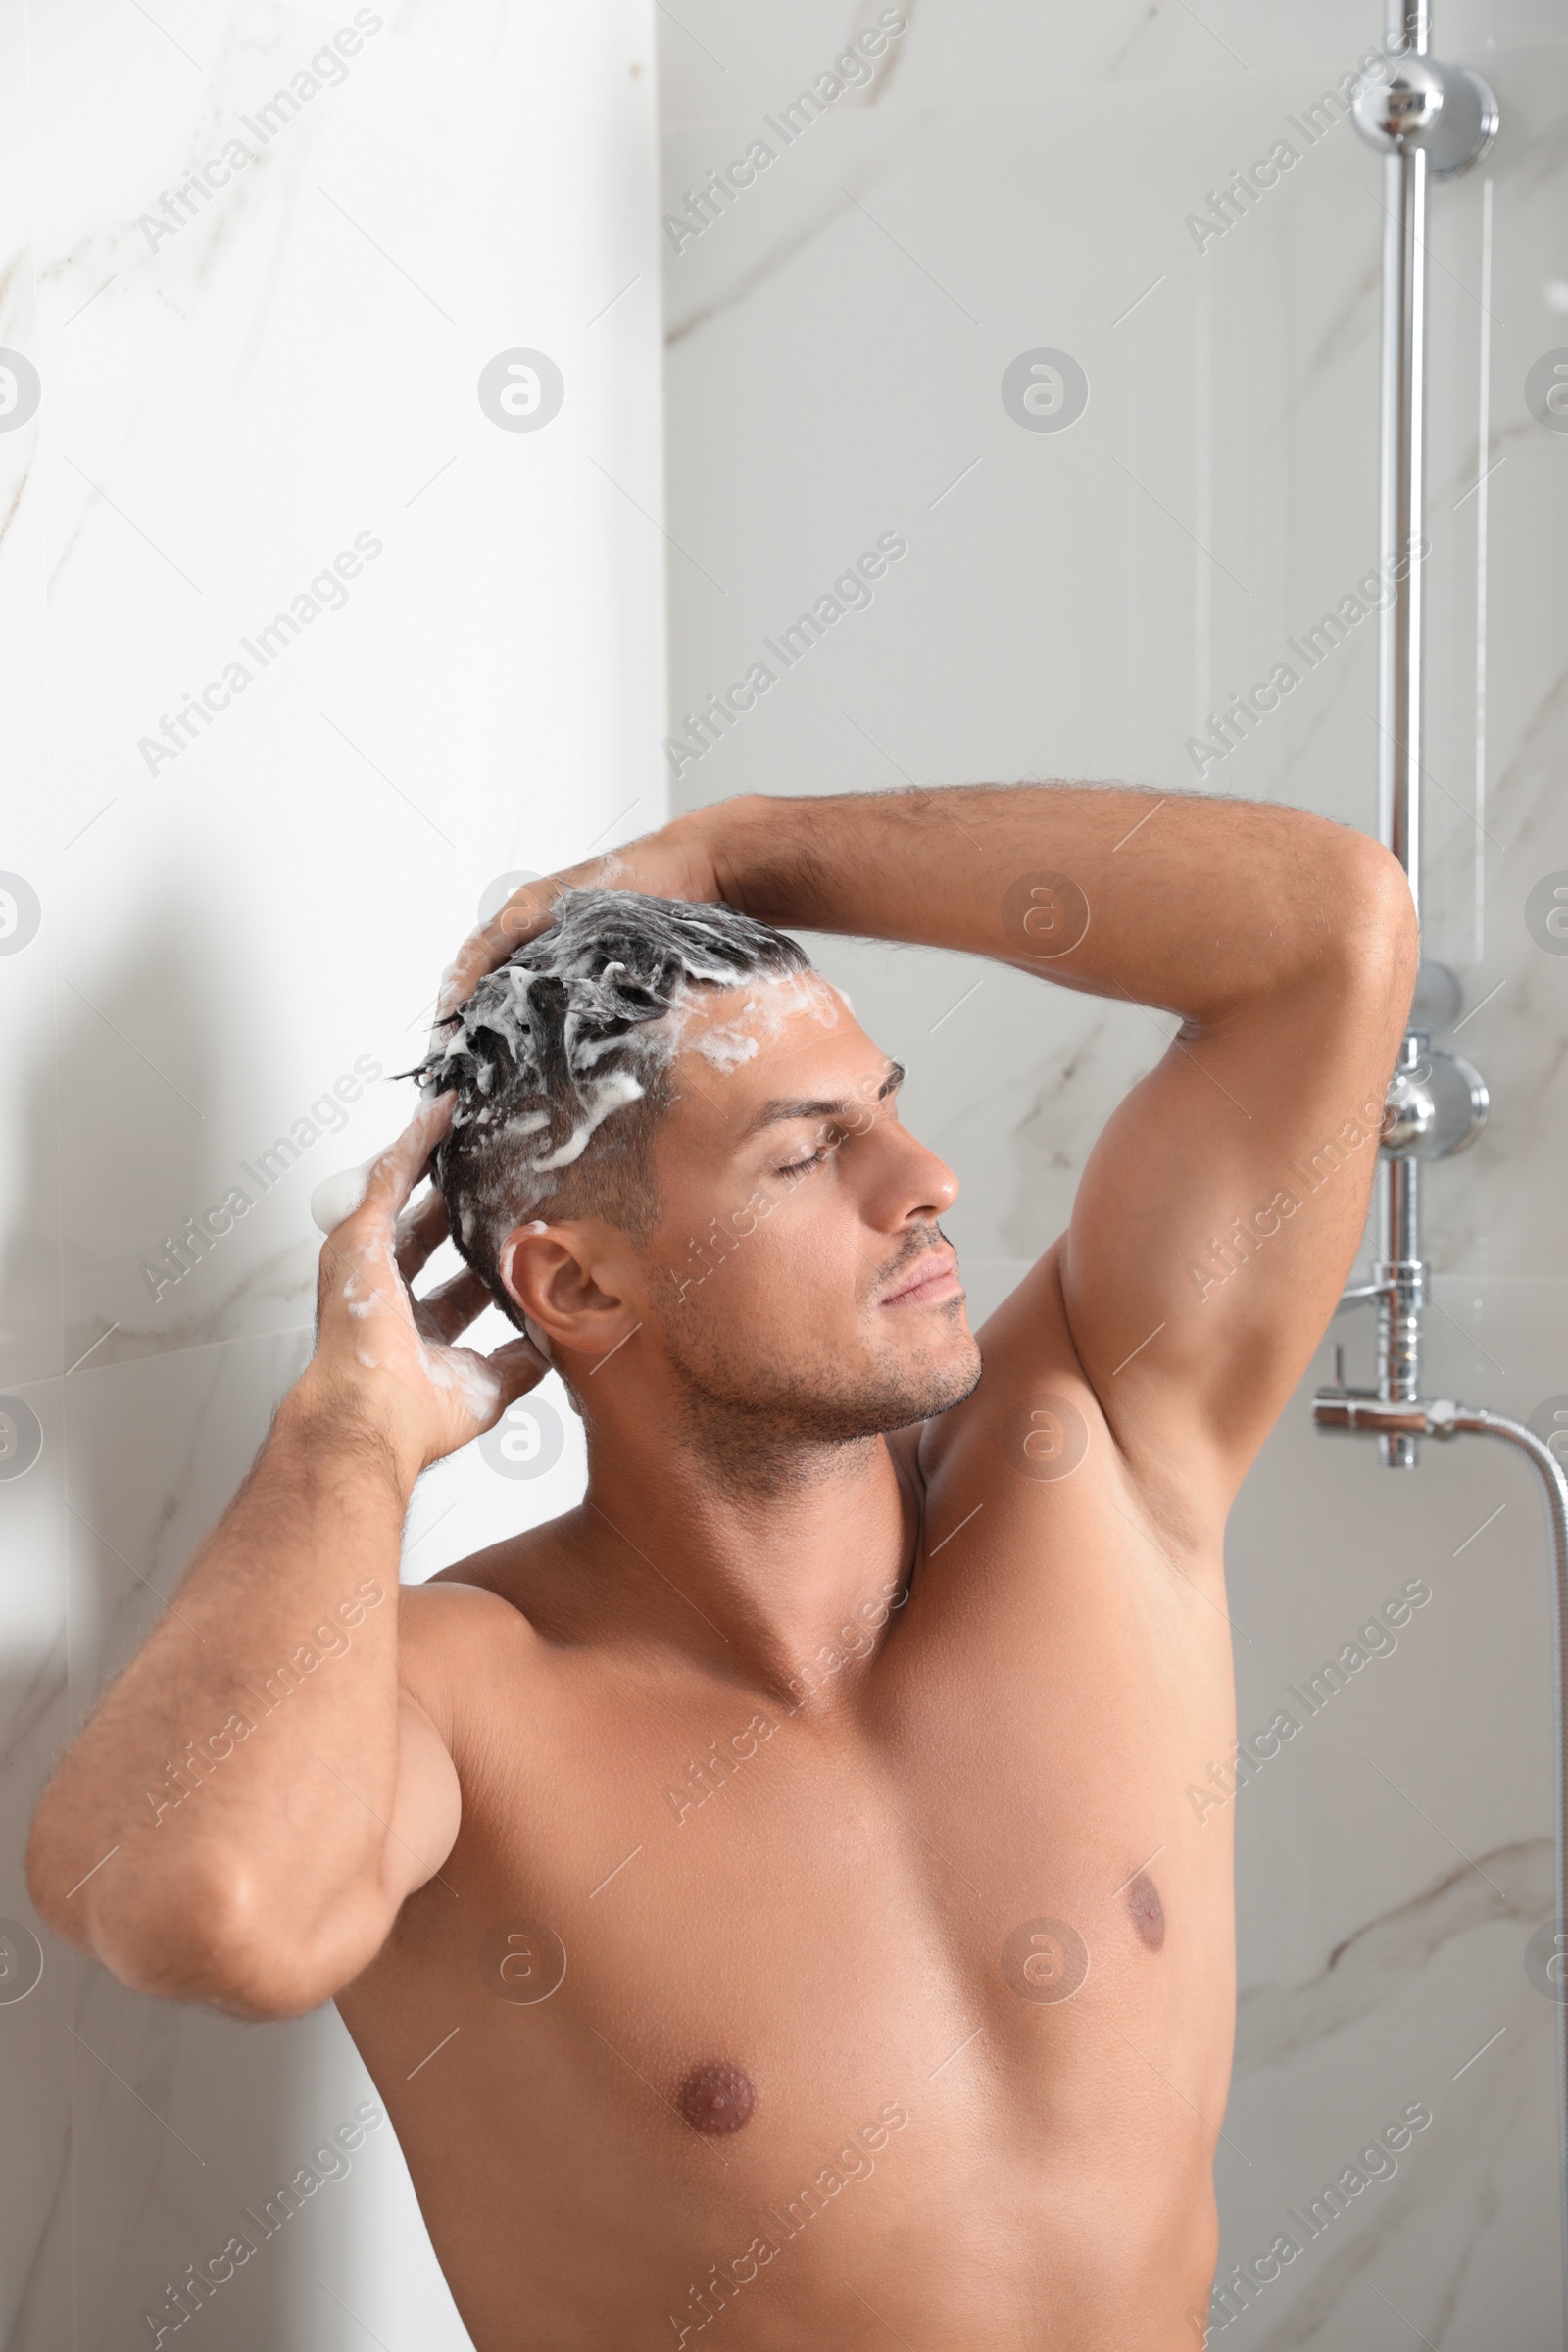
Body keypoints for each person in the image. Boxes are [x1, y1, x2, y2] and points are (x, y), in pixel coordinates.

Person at [27, 784, 1417, 2350]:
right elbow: (199, 1907)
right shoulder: (465, 1701)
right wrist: (350, 1433)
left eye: (885, 1105)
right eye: (807, 1154)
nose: (926, 1179)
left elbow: (1333, 932)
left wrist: (734, 852)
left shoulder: (1092, 1455)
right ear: (578, 1280)